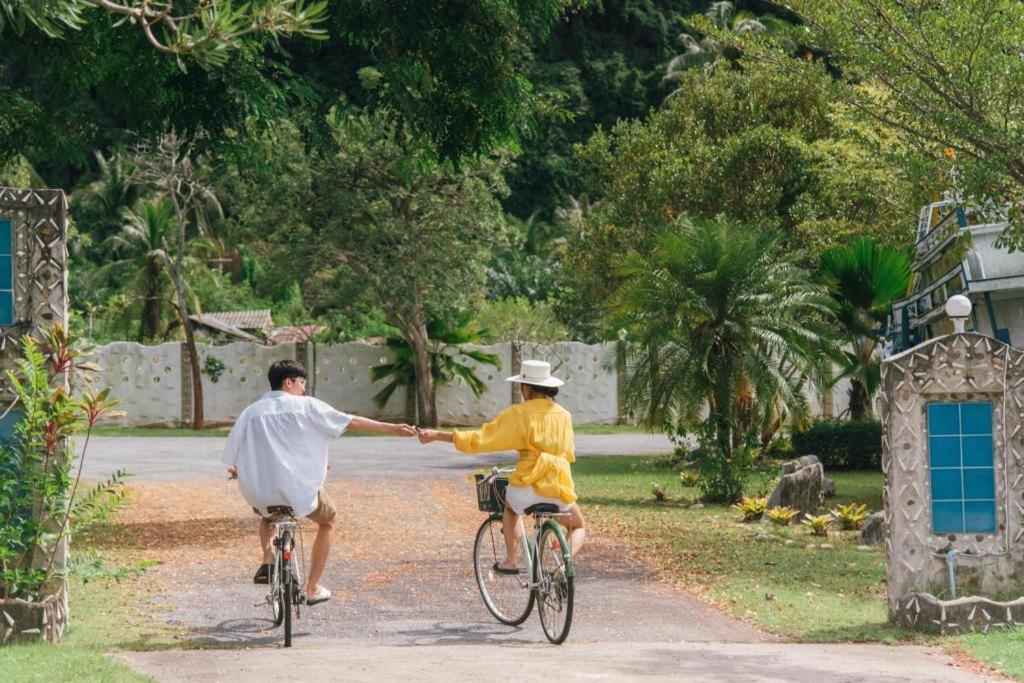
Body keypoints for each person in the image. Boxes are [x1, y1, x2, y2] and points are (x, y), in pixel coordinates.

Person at [224, 359, 416, 606]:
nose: (304, 389)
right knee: (330, 520)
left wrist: (241, 470)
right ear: (289, 382)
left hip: (260, 494)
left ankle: (269, 559)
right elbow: (350, 421)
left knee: (268, 516)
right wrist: (393, 429)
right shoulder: (307, 406)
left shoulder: (250, 412)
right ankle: (312, 588)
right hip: (300, 493)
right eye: (302, 383)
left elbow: (235, 455)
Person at [418, 360, 585, 573]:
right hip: (559, 488)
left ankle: (511, 560)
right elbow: (568, 453)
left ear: (525, 387)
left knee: (510, 507)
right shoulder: (564, 415)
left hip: (528, 485)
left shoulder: (519, 413)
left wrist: (436, 435)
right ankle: (562, 569)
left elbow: (481, 439)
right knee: (578, 526)